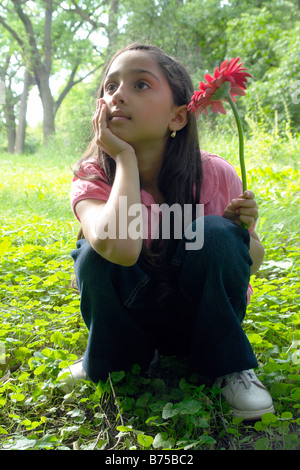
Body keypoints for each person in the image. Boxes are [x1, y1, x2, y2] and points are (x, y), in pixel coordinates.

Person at [59, 43, 274, 420]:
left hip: (198, 317)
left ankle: (227, 366)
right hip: (132, 319)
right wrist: (124, 158)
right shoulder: (93, 177)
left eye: (140, 85)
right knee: (95, 253)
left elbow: (252, 263)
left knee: (217, 233)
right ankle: (110, 358)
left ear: (177, 117)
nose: (118, 95)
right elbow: (119, 250)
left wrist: (237, 236)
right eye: (109, 87)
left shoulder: (214, 174)